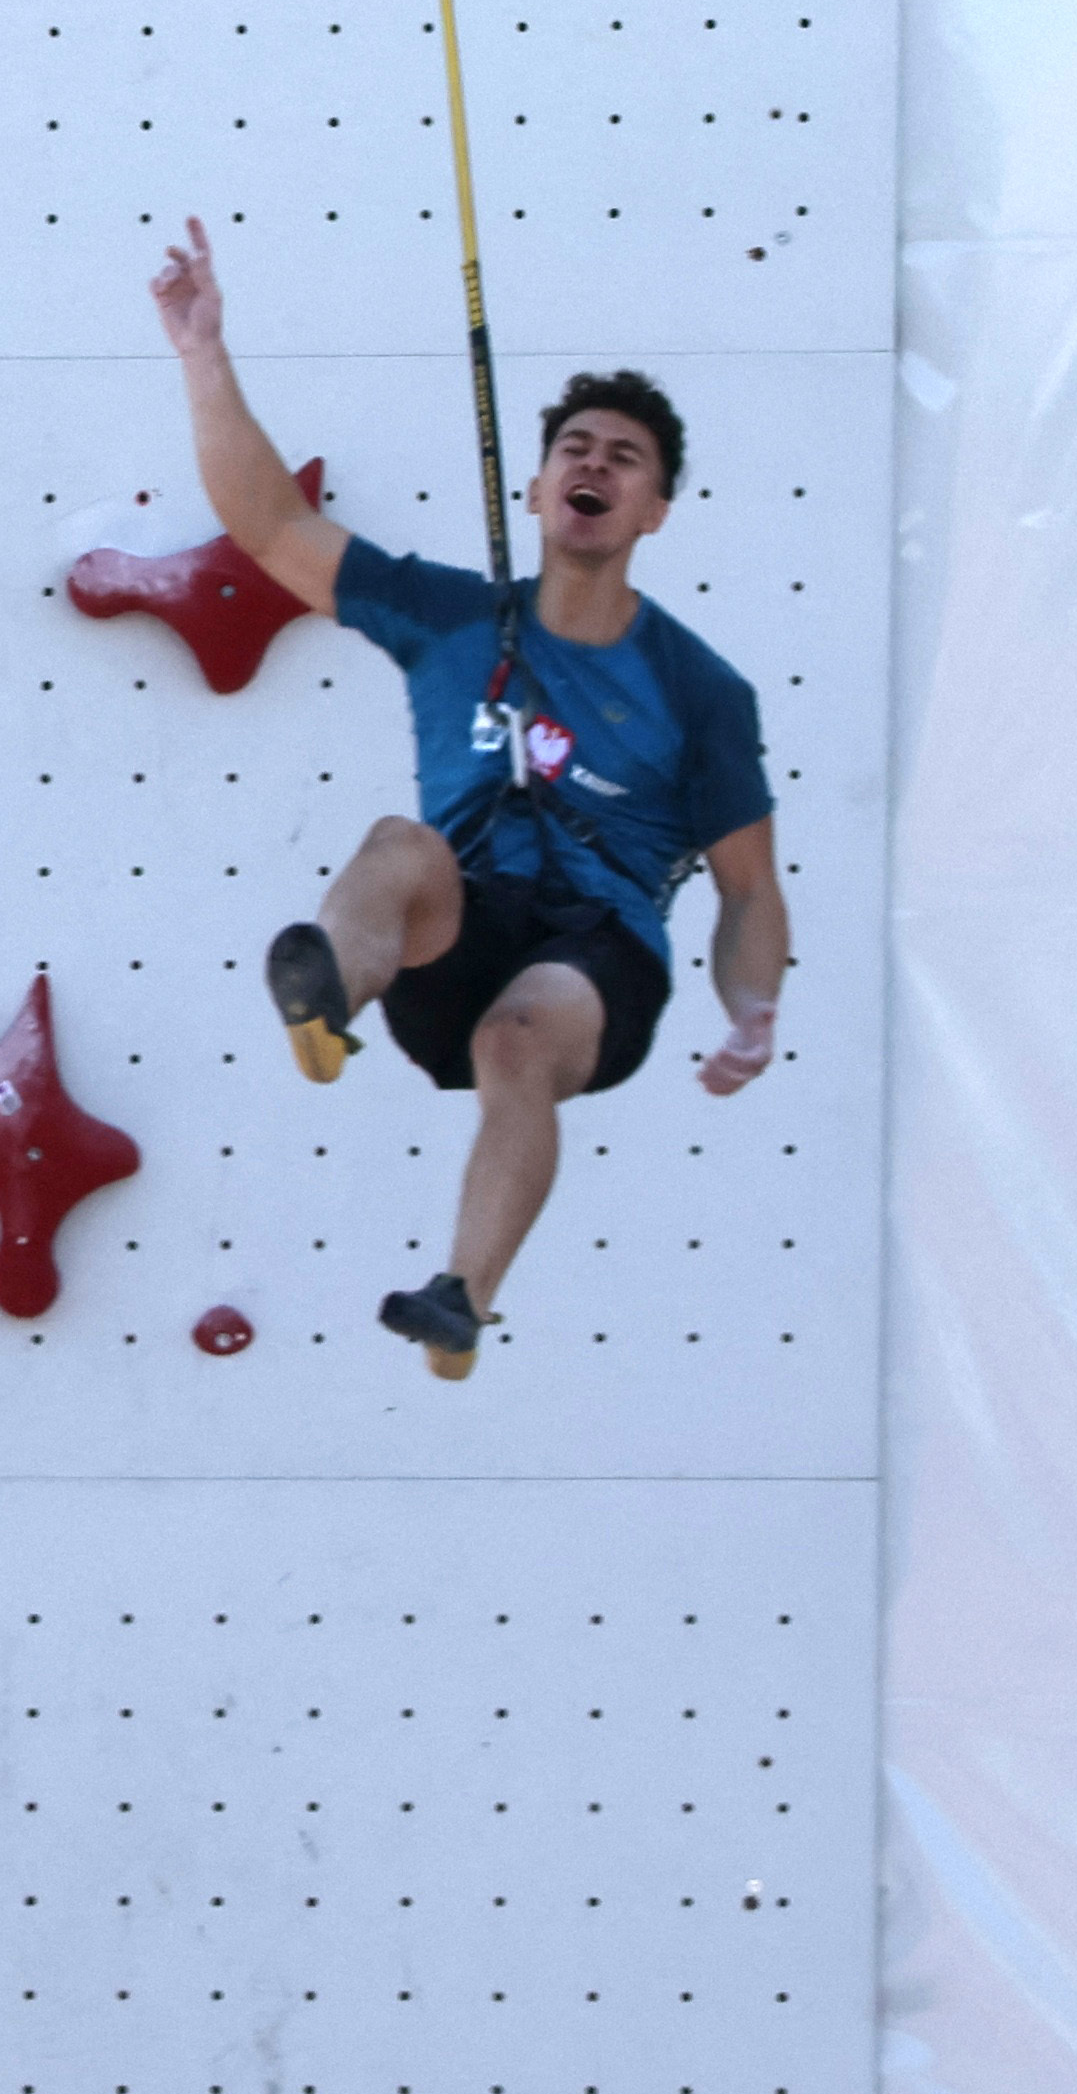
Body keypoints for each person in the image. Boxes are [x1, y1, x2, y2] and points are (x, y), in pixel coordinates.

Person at [148, 219, 788, 1379]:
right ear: (536, 486)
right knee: (403, 842)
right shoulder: (451, 615)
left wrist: (751, 1010)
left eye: (624, 458)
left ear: (654, 511)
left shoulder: (701, 690)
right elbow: (271, 526)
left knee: (518, 1036)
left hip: (599, 955)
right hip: (458, 919)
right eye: (576, 449)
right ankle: (324, 997)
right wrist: (202, 354)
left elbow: (748, 891)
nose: (594, 464)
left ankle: (459, 1299)